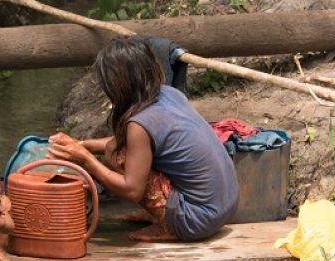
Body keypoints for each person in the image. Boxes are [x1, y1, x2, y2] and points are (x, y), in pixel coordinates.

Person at [48, 37, 239, 242]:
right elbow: (134, 142)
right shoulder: (169, 94)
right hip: (226, 208)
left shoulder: (139, 125)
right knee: (117, 148)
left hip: (197, 221)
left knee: (118, 155)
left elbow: (132, 190)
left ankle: (172, 225)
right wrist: (83, 145)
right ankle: (165, 211)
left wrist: (86, 159)